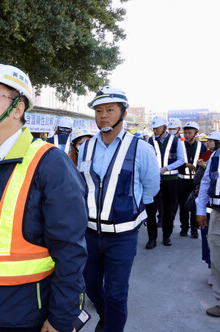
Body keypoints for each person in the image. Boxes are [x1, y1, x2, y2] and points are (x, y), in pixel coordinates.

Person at [0, 63, 88, 332]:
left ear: (17, 108)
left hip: (26, 317)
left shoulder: (50, 163)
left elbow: (70, 251)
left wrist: (61, 318)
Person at [78, 87, 160, 332]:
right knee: (91, 286)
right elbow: (84, 185)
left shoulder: (140, 148)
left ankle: (111, 325)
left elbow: (151, 187)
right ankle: (108, 316)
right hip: (90, 233)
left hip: (123, 236)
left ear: (123, 113)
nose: (103, 115)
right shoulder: (86, 147)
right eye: (99, 111)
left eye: (110, 110)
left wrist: (129, 209)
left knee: (116, 293)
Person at [145, 116, 185, 248]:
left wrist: (166, 168)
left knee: (169, 210)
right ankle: (152, 239)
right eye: (154, 128)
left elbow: (181, 160)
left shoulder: (176, 141)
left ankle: (166, 236)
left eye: (157, 128)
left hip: (171, 180)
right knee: (151, 210)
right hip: (154, 180)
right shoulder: (149, 141)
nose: (155, 131)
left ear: (165, 128)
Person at [196, 131, 220, 317]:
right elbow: (205, 183)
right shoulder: (214, 157)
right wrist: (201, 210)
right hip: (217, 213)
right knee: (217, 259)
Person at [177, 121, 206, 238]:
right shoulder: (180, 145)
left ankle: (194, 229)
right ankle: (184, 228)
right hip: (182, 180)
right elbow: (175, 162)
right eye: (185, 132)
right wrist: (186, 165)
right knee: (183, 205)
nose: (187, 135)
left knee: (194, 205)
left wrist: (202, 165)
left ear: (196, 133)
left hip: (195, 181)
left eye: (190, 132)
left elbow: (206, 164)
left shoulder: (201, 146)